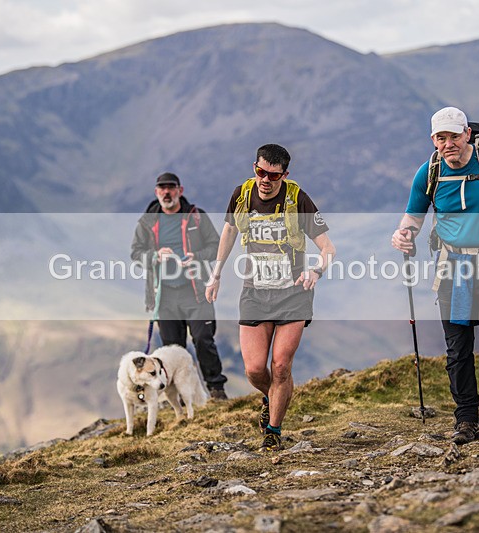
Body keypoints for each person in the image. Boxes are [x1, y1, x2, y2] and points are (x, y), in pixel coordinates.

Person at [391, 107, 479, 445]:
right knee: (458, 349)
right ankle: (466, 418)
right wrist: (402, 234)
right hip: (451, 267)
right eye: (441, 138)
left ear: (467, 134)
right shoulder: (429, 172)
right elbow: (413, 217)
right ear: (433, 140)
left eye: (454, 136)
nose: (448, 143)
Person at [205, 144, 335, 451]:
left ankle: (273, 432)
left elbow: (328, 248)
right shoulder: (242, 195)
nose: (265, 180)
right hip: (254, 292)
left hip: (293, 294)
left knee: (280, 367)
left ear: (284, 175)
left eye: (273, 176)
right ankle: (274, 395)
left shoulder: (298, 200)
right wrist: (216, 272)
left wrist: (316, 271)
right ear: (255, 167)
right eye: (260, 172)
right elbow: (229, 232)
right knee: (254, 370)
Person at [131, 172, 229, 400]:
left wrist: (196, 256)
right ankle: (178, 398)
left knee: (204, 339)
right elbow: (136, 253)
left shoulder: (196, 217)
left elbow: (216, 246)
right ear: (156, 192)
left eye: (171, 188)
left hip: (196, 292)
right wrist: (155, 256)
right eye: (162, 188)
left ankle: (217, 390)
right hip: (163, 296)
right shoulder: (148, 222)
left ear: (180, 190)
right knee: (172, 349)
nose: (167, 192)